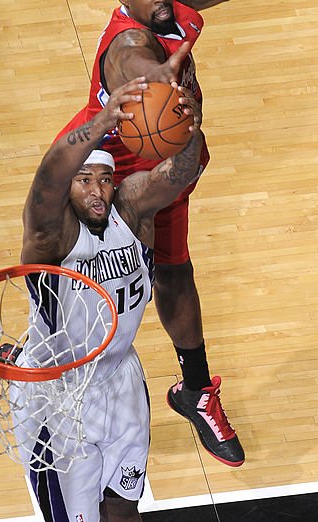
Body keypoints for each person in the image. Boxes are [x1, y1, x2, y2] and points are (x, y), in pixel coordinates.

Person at [21, 78, 205, 522]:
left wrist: (189, 110)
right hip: (58, 397)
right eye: (84, 181)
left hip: (120, 379)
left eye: (104, 178)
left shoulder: (131, 210)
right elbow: (46, 182)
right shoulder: (49, 234)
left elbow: (182, 167)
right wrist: (99, 122)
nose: (95, 189)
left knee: (126, 506)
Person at [58, 0, 244, 468]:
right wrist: (158, 74)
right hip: (104, 178)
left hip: (164, 177)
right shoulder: (128, 42)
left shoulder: (162, 11)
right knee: (77, 285)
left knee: (175, 273)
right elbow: (131, 61)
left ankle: (196, 391)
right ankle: (46, 364)